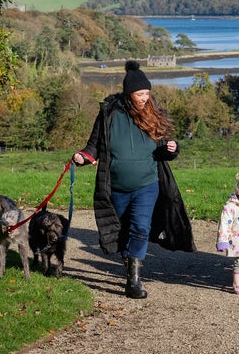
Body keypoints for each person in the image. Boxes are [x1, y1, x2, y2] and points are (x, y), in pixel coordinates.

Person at [73, 60, 195, 299]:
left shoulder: (153, 114)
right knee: (123, 231)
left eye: (147, 93)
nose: (145, 98)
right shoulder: (109, 113)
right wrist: (83, 156)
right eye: (140, 94)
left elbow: (164, 147)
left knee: (141, 227)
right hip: (115, 186)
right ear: (129, 93)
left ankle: (134, 280)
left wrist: (172, 148)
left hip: (147, 184)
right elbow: (93, 145)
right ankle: (130, 262)